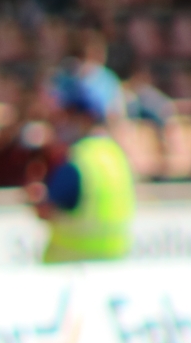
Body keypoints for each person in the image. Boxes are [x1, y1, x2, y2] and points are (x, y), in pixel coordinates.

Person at [32, 81, 135, 263]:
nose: (61, 123)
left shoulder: (78, 159)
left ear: (83, 118)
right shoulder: (116, 155)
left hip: (73, 266)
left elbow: (46, 210)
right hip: (115, 262)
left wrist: (34, 195)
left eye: (67, 115)